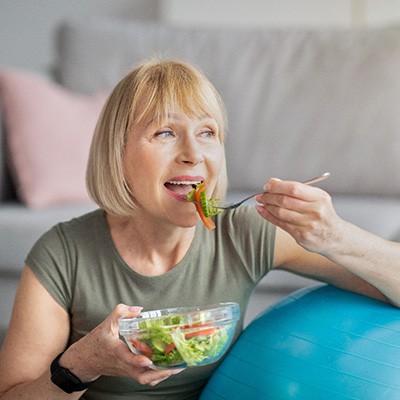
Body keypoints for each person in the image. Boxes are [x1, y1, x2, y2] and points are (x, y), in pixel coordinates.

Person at [0, 59, 399, 400]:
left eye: (207, 132)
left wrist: (336, 237)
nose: (194, 154)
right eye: (166, 132)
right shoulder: (62, 253)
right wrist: (80, 365)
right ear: (117, 153)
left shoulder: (243, 231)